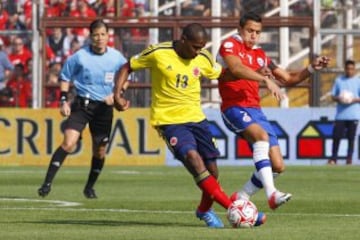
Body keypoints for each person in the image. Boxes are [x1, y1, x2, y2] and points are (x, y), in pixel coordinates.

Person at [113, 23, 282, 228]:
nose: (198, 51)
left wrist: (256, 72)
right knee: (193, 159)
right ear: (183, 39)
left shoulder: (203, 58)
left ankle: (204, 210)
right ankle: (234, 208)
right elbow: (127, 66)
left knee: (212, 171)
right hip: (169, 121)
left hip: (197, 119)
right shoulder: (159, 53)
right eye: (194, 46)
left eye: (201, 47)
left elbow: (224, 74)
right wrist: (117, 94)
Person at [217, 12, 330, 209]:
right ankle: (272, 194)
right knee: (261, 137)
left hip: (255, 110)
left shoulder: (261, 56)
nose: (254, 35)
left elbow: (288, 78)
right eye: (250, 31)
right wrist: (264, 79)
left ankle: (241, 196)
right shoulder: (230, 45)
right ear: (240, 29)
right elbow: (235, 69)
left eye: (258, 32)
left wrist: (311, 68)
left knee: (277, 166)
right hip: (233, 107)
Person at [38, 19, 127, 199]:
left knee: (99, 150)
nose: (100, 38)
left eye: (103, 34)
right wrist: (63, 100)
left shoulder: (117, 57)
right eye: (96, 35)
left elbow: (125, 77)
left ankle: (89, 187)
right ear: (90, 36)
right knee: (68, 143)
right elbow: (65, 77)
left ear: (108, 36)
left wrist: (117, 94)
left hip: (104, 108)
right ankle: (46, 184)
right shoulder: (80, 56)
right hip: (82, 105)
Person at [328, 60, 360, 165]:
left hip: (353, 115)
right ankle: (333, 159)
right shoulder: (339, 81)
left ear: (354, 69)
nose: (349, 71)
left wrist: (352, 99)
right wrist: (340, 98)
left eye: (352, 69)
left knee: (351, 138)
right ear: (345, 69)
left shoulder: (358, 81)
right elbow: (333, 95)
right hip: (341, 115)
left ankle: (349, 159)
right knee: (336, 137)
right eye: (348, 69)